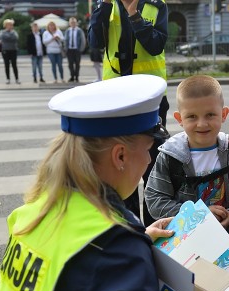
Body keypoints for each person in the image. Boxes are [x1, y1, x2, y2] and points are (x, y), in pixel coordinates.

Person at [0, 74, 229, 291]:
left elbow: (77, 274)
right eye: (148, 150)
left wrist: (140, 239)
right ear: (120, 156)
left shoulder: (32, 211)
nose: (148, 161)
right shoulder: (116, 249)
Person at [89, 0, 169, 227]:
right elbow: (95, 43)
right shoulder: (106, 6)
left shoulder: (156, 5)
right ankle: (131, 230)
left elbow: (156, 45)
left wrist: (134, 16)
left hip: (149, 100)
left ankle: (158, 236)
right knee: (120, 165)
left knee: (152, 167)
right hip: (116, 100)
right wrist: (102, 8)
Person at [145, 75, 229, 245]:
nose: (202, 124)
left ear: (223, 114)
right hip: (184, 247)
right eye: (192, 116)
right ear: (179, 119)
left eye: (210, 115)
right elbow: (155, 199)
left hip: (228, 244)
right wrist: (198, 214)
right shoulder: (170, 155)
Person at [0, 19, 20, 85]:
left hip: (13, 50)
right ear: (5, 25)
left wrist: (9, 36)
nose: (10, 26)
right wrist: (10, 37)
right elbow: (3, 37)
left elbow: (15, 38)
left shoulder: (14, 32)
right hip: (5, 50)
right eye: (8, 25)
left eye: (11, 25)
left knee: (14, 65)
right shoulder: (2, 32)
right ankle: (8, 79)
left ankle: (17, 79)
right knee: (6, 65)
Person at [65, 17, 86, 82]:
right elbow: (65, 40)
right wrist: (66, 48)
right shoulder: (68, 31)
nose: (73, 24)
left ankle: (76, 77)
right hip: (70, 50)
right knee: (70, 64)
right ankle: (72, 76)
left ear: (76, 23)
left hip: (77, 50)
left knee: (77, 64)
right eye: (71, 22)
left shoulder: (79, 30)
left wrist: (81, 49)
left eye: (74, 22)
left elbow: (83, 40)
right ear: (69, 23)